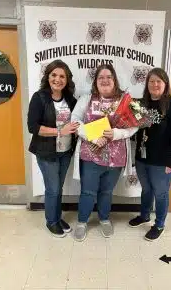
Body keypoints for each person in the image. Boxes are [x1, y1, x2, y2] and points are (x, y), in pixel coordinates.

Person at [71, 64, 138, 242]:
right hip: (91, 155)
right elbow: (75, 121)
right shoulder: (86, 99)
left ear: (114, 80)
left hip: (116, 158)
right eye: (101, 77)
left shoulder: (125, 101)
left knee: (107, 191)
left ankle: (104, 218)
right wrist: (93, 137)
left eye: (109, 77)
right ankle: (82, 222)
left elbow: (133, 126)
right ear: (96, 81)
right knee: (88, 191)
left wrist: (116, 133)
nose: (105, 80)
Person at [129, 67, 171, 241]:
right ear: (147, 84)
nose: (155, 84)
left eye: (158, 81)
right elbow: (132, 127)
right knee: (146, 190)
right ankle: (144, 215)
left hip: (163, 162)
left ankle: (159, 224)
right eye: (151, 81)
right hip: (142, 158)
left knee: (161, 193)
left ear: (165, 84)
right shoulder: (140, 104)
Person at [27, 59, 79, 238]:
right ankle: (51, 221)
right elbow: (33, 127)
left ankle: (57, 217)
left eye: (62, 76)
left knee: (58, 188)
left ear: (67, 79)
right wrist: (60, 131)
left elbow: (77, 121)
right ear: (48, 77)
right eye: (54, 75)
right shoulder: (39, 97)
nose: (58, 79)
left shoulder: (71, 100)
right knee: (53, 189)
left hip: (65, 151)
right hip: (46, 152)